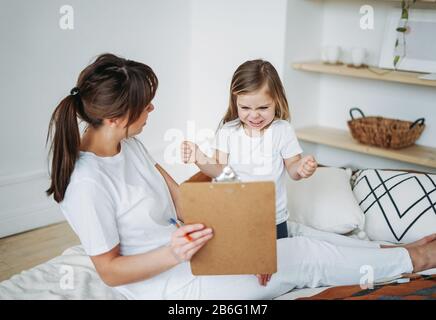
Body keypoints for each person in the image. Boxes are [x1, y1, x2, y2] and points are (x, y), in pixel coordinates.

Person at [47, 53, 436, 299]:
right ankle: (415, 259)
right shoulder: (85, 183)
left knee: (303, 238)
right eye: (146, 106)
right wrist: (174, 252)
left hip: (196, 253)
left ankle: (388, 252)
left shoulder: (127, 145)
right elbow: (110, 273)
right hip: (170, 282)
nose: (152, 109)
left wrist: (246, 246)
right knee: (303, 256)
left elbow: (183, 200)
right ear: (116, 117)